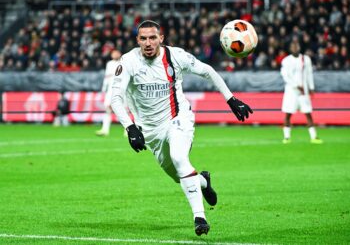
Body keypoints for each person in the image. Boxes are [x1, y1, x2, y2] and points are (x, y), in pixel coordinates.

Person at [110, 20, 253, 236]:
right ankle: (203, 181)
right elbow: (115, 98)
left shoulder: (175, 56)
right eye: (143, 38)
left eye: (152, 37)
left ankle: (200, 217)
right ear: (137, 40)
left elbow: (208, 71)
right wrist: (130, 127)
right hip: (150, 131)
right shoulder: (129, 61)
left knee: (179, 158)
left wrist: (230, 99)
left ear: (161, 38)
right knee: (179, 175)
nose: (148, 43)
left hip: (178, 118)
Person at [281, 41, 323, 144]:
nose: (295, 48)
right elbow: (285, 76)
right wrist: (296, 85)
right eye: (293, 46)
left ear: (299, 47)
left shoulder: (306, 59)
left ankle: (314, 137)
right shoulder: (286, 61)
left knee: (308, 113)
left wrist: (311, 87)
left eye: (296, 45)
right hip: (291, 91)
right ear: (290, 48)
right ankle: (286, 137)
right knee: (288, 114)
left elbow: (309, 74)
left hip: (304, 92)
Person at [96, 49, 122, 136]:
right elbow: (106, 77)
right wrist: (104, 89)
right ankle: (105, 130)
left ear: (119, 54)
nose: (114, 54)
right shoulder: (109, 63)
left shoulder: (123, 62)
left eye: (116, 53)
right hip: (110, 90)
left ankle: (128, 131)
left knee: (124, 110)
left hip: (120, 89)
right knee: (107, 109)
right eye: (113, 53)